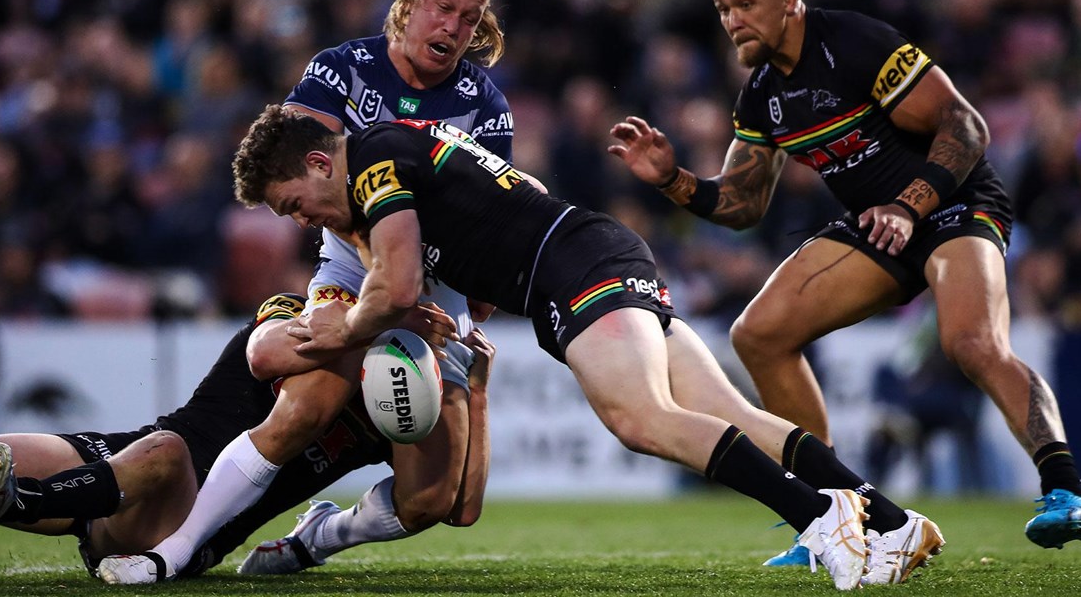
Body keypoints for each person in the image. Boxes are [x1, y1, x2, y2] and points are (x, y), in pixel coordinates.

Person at [222, 106, 952, 590]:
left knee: (641, 419)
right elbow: (515, 194)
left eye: (294, 203)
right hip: (594, 251)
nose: (303, 219)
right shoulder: (404, 143)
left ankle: (823, 522)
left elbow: (396, 279)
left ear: (320, 164)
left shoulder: (373, 156)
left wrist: (344, 330)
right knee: (735, 416)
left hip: (574, 270)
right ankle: (892, 520)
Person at [607, 0, 1081, 554]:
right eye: (722, 9)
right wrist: (672, 179)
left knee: (971, 342)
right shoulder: (762, 95)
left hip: (954, 202)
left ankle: (1066, 489)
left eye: (746, 3)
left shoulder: (852, 42)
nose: (732, 20)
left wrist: (910, 206)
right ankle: (834, 513)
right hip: (880, 225)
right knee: (759, 334)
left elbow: (965, 126)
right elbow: (742, 205)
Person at [94, 0, 513, 584]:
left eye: (469, 17)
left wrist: (444, 296)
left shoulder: (484, 106)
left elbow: (486, 230)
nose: (454, 27)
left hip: (437, 291)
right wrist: (385, 280)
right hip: (353, 269)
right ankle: (168, 554)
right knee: (304, 408)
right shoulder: (340, 68)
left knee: (438, 502)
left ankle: (323, 534)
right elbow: (292, 170)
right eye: (444, 7)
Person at [0, 291, 495, 578]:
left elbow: (455, 506)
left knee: (165, 453)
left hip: (180, 521)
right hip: (127, 457)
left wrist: (475, 390)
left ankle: (16, 497)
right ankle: (22, 495)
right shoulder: (309, 315)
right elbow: (264, 352)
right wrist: (372, 324)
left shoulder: (412, 393)